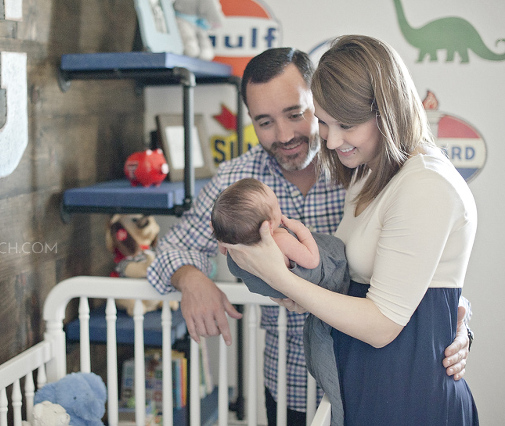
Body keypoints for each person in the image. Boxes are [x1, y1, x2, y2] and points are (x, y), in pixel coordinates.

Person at [146, 47, 472, 425]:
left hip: (374, 380)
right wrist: (191, 279)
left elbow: (422, 264)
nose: (284, 135)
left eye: (296, 114)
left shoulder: (359, 164)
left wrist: (457, 322)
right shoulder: (236, 178)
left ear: (318, 100)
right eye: (265, 122)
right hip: (291, 384)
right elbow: (175, 246)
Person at [212, 177, 350, 425]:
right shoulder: (282, 238)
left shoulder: (235, 251)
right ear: (269, 223)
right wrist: (301, 231)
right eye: (276, 205)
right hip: (332, 279)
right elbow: (311, 261)